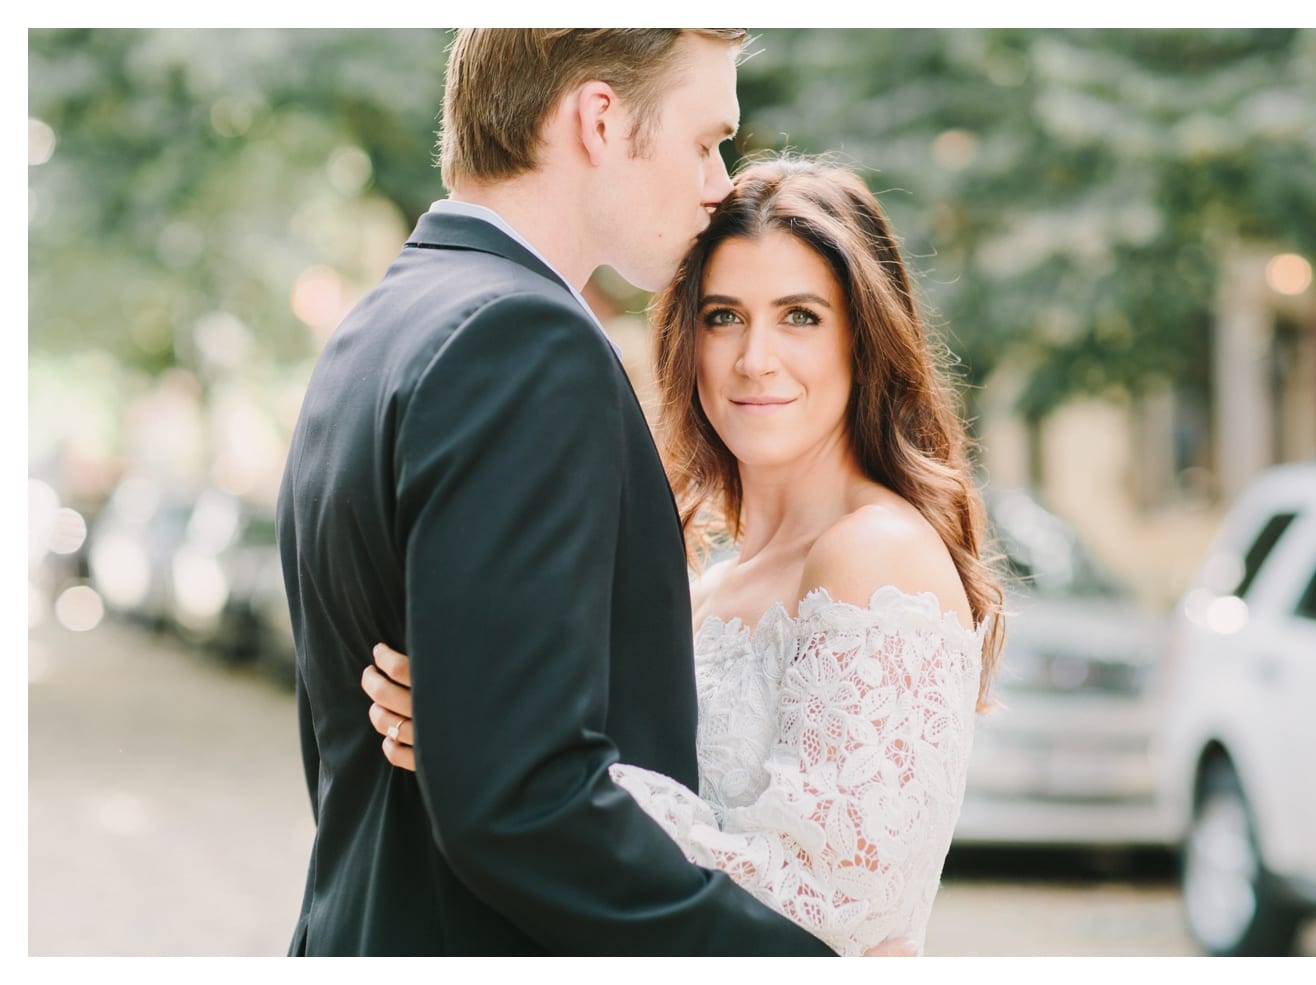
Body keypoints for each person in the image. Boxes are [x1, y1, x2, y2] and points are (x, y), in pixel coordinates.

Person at [275, 28, 838, 955]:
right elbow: (523, 803)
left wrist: (474, 725)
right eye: (706, 140)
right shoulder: (527, 343)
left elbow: (490, 752)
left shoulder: (381, 323)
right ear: (601, 119)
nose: (719, 181)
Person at [361, 154, 1006, 956]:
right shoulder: (707, 584)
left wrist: (504, 743)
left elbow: (827, 902)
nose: (754, 358)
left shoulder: (875, 553)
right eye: (723, 315)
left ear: (863, 339)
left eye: (800, 316)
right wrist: (482, 732)